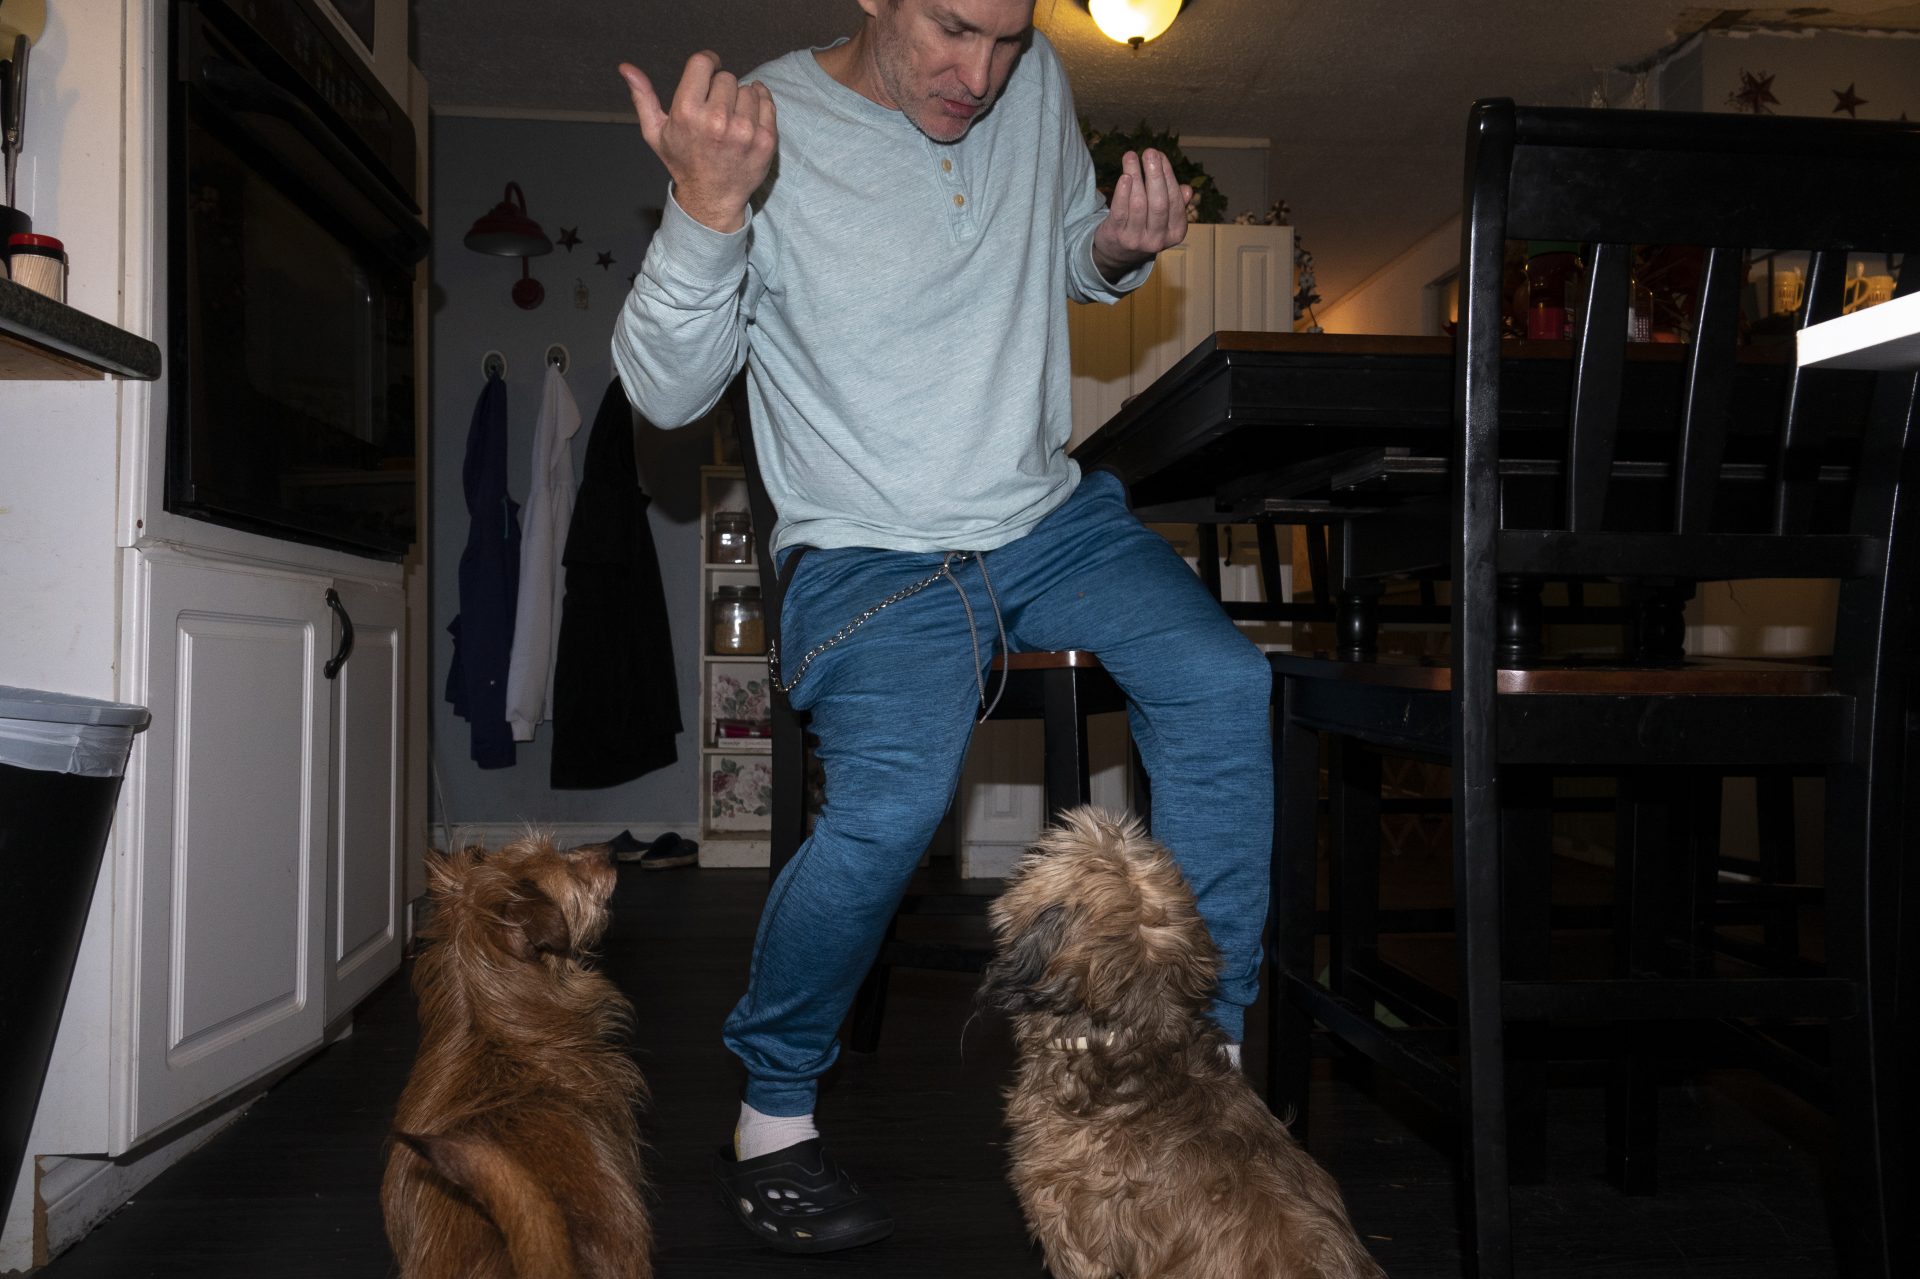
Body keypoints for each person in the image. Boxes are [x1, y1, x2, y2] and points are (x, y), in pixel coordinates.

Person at [612, 0, 1273, 1254]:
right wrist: (707, 208)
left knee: (1226, 684)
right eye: (956, 30)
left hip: (1045, 520)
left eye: (1011, 37)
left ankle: (1207, 1062)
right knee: (895, 801)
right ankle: (770, 1111)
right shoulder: (761, 125)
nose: (983, 73)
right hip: (867, 546)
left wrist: (1112, 247)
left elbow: (1063, 253)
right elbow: (665, 389)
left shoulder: (1037, 83)